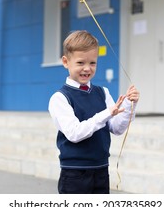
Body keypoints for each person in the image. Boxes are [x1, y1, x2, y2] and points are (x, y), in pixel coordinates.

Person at [48, 30, 139, 194]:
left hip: (102, 169)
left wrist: (130, 105)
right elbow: (75, 133)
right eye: (80, 63)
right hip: (75, 173)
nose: (87, 68)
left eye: (93, 63)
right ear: (65, 61)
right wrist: (107, 113)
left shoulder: (102, 92)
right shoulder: (60, 98)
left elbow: (117, 128)